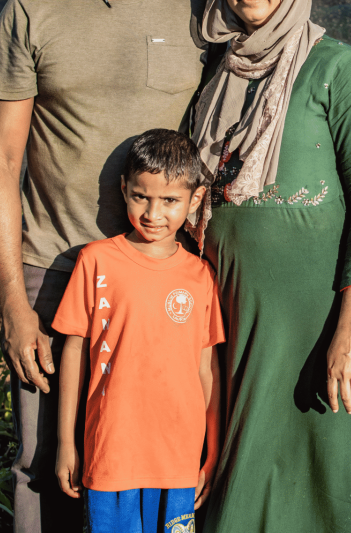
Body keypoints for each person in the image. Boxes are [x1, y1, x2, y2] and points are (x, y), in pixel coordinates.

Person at [0, 0, 209, 533]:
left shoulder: (198, 13)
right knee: (45, 461)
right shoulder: (32, 11)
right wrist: (13, 303)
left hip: (158, 281)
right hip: (54, 269)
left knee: (158, 453)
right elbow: (0, 160)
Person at [190, 0, 351, 533]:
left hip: (310, 314)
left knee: (319, 458)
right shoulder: (218, 71)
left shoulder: (335, 66)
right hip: (230, 301)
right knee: (235, 450)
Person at [53, 129, 223, 533]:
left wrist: (211, 453)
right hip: (111, 452)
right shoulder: (95, 262)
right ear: (123, 188)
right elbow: (74, 353)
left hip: (178, 458)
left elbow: (207, 372)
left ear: (194, 199)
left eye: (169, 201)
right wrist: (65, 442)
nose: (153, 213)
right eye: (140, 196)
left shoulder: (200, 276)